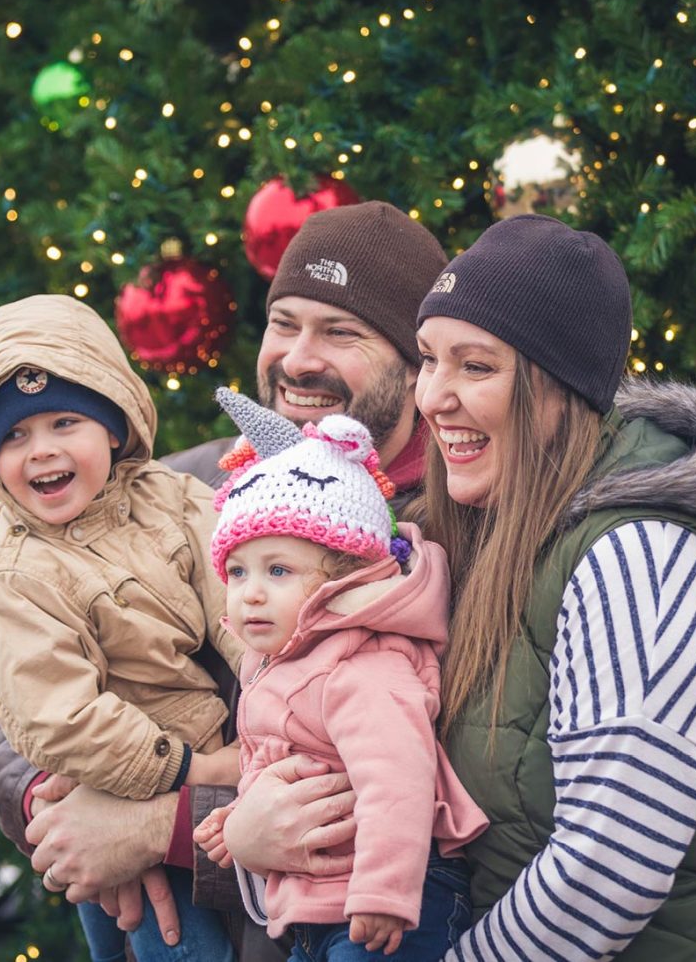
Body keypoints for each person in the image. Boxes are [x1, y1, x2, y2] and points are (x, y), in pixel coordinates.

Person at [0, 201, 448, 961]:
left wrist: (166, 827)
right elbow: (6, 695)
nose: (296, 358)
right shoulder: (179, 488)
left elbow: (404, 783)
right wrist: (59, 808)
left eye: (341, 332)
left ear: (417, 362)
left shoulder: (448, 533)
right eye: (284, 323)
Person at [407, 213, 696, 959]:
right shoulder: (491, 528)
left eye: (475, 367)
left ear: (561, 388)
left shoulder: (644, 558)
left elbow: (609, 870)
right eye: (428, 360)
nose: (434, 396)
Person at [0, 293, 245, 961]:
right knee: (179, 945)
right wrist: (194, 772)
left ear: (114, 424)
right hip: (116, 793)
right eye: (14, 436)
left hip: (208, 782)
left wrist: (268, 679)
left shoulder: (174, 499)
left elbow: (233, 593)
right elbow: (57, 715)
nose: (41, 452)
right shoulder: (7, 573)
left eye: (64, 423)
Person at [192, 389, 488, 961]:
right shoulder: (282, 658)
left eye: (278, 569)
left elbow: (397, 778)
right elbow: (288, 763)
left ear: (345, 576)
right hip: (317, 908)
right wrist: (236, 815)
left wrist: (385, 891)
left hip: (385, 904)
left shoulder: (360, 664)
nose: (249, 591)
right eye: (237, 570)